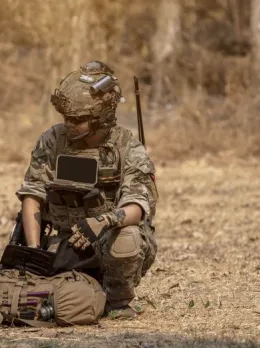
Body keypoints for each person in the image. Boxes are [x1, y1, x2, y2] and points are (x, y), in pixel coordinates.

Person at [16, 61, 158, 319]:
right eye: (66, 118)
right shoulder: (53, 140)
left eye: (78, 120)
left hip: (108, 242)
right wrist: (34, 252)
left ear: (100, 118)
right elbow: (32, 195)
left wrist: (102, 222)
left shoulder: (128, 147)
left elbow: (137, 207)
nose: (69, 124)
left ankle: (117, 302)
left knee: (129, 239)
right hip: (64, 240)